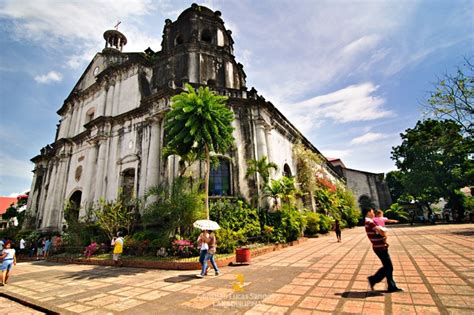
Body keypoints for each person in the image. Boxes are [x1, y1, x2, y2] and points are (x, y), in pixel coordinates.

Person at [365, 208, 403, 293]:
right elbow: (380, 232)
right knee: (389, 267)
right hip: (379, 247)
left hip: (380, 246)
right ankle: (374, 279)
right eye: (372, 212)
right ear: (368, 213)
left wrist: (383, 239)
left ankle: (391, 286)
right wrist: (384, 234)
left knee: (388, 267)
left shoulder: (369, 222)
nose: (373, 213)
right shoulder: (370, 222)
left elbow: (377, 234)